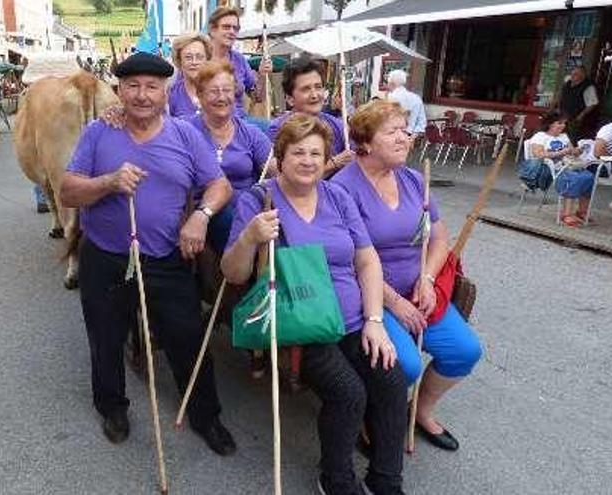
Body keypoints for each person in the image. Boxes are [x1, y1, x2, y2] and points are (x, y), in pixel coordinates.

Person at [60, 52, 237, 455]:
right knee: (105, 337)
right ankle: (112, 406)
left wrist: (201, 217)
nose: (142, 95)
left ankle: (205, 415)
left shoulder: (185, 135)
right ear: (119, 91)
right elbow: (68, 191)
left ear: (166, 91)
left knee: (188, 337)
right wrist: (107, 182)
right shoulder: (97, 133)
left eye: (152, 86)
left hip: (166, 257)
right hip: (106, 257)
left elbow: (220, 185)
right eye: (133, 86)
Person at [221, 113, 406, 495]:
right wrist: (250, 238)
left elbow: (367, 260)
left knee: (391, 379)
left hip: (354, 320)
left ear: (326, 160)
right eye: (298, 153)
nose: (308, 161)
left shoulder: (337, 196)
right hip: (301, 324)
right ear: (281, 157)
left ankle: (386, 479)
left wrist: (374, 320)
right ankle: (335, 479)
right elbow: (233, 274)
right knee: (349, 392)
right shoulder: (258, 200)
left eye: (316, 154)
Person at [331, 100, 482, 452]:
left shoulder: (416, 180)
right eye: (392, 131)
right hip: (369, 294)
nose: (405, 138)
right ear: (365, 142)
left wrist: (427, 279)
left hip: (418, 290)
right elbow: (350, 261)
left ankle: (420, 410)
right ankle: (370, 416)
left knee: (465, 350)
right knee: (404, 366)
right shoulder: (342, 188)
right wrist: (396, 304)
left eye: (405, 130)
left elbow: (440, 238)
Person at [187, 60, 271, 252]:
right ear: (199, 95)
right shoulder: (185, 130)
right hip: (203, 210)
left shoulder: (251, 133)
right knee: (224, 217)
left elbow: (274, 168)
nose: (222, 97)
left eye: (227, 90)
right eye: (214, 91)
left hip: (247, 209)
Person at [267, 57, 355, 174]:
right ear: (290, 99)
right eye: (306, 89)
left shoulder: (338, 125)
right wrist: (334, 163)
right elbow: (281, 172)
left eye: (318, 87)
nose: (314, 95)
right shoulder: (278, 129)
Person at [527, 112, 594, 227]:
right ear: (550, 124)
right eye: (559, 123)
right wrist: (561, 153)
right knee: (573, 177)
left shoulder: (564, 136)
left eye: (564, 123)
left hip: (567, 165)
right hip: (547, 168)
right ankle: (566, 213)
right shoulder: (540, 136)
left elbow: (572, 152)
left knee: (589, 176)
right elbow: (538, 154)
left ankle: (581, 211)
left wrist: (579, 150)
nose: (563, 126)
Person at [206, 6, 271, 119]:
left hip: (239, 122)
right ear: (213, 30)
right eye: (226, 27)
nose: (232, 31)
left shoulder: (239, 60)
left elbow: (257, 97)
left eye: (235, 28)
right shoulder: (200, 58)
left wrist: (262, 74)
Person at [168, 33, 212, 118]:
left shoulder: (219, 91)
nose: (194, 62)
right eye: (188, 57)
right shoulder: (171, 94)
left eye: (199, 57)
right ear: (179, 61)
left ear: (207, 60)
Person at [555, 66, 598, 140]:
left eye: (576, 74)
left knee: (571, 138)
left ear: (582, 76)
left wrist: (580, 116)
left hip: (576, 119)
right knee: (559, 136)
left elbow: (592, 104)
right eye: (572, 73)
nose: (572, 76)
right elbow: (560, 95)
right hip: (563, 115)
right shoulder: (568, 82)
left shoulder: (588, 87)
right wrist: (558, 107)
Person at [386, 69, 426, 139]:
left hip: (390, 136)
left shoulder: (389, 98)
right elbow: (422, 123)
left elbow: (384, 119)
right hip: (409, 136)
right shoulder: (416, 98)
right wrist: (412, 136)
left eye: (388, 82)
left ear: (391, 83)